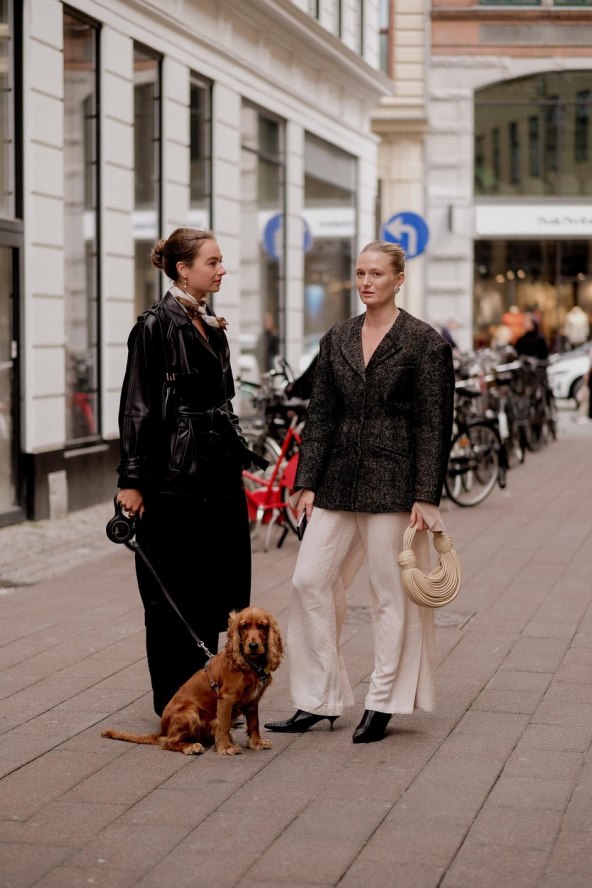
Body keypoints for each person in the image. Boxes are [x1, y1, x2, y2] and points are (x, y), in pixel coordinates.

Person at [264, 240, 455, 744]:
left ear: (399, 278)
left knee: (389, 595)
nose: (366, 281)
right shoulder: (338, 337)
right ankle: (317, 697)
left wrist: (426, 494)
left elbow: (435, 424)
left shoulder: (423, 342)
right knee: (310, 581)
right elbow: (321, 414)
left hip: (394, 485)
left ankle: (384, 701)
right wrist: (305, 481)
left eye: (376, 273)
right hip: (335, 483)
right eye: (360, 273)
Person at [116, 227, 259, 717]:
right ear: (183, 268)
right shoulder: (155, 326)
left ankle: (206, 696)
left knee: (216, 584)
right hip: (174, 476)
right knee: (171, 590)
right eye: (213, 261)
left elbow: (224, 399)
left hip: (217, 470)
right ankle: (172, 704)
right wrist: (132, 480)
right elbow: (136, 407)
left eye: (221, 261)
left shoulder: (209, 323)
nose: (222, 269)